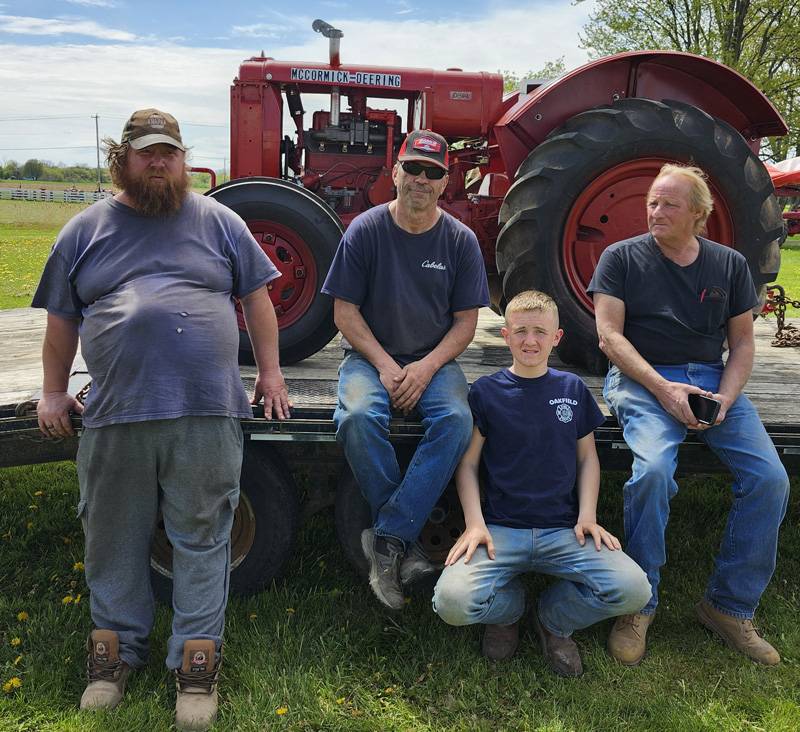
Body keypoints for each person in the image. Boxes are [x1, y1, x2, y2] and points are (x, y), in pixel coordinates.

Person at [32, 108, 290, 730]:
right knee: (111, 534)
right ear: (124, 157)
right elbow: (61, 323)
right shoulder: (84, 230)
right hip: (117, 412)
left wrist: (272, 375)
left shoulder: (219, 221)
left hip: (205, 410)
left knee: (203, 534)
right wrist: (49, 393)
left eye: (168, 152)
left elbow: (257, 299)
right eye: (147, 152)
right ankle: (114, 655)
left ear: (182, 157)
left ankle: (196, 664)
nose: (158, 161)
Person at [589, 163, 790, 667]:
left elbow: (742, 344)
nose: (656, 211)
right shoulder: (621, 258)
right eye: (653, 202)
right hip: (642, 376)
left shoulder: (728, 265)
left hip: (709, 378)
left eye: (669, 203)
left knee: (770, 479)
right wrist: (663, 389)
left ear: (699, 214)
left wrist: (723, 396)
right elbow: (609, 337)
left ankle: (728, 606)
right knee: (653, 471)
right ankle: (641, 602)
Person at [432, 291, 650, 675]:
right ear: (505, 335)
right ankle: (508, 610)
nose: (529, 341)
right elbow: (467, 465)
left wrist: (587, 515)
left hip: (564, 529)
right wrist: (474, 524)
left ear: (556, 338)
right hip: (500, 532)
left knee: (635, 589)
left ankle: (554, 620)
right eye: (520, 331)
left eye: (539, 332)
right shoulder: (485, 392)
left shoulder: (572, 390)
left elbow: (587, 458)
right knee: (451, 602)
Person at [321, 129, 490, 610]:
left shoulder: (460, 239)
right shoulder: (366, 230)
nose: (420, 178)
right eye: (412, 168)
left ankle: (387, 536)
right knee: (356, 418)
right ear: (395, 172)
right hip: (371, 358)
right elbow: (344, 313)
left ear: (445, 181)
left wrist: (425, 367)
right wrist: (386, 365)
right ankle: (404, 540)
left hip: (434, 361)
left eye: (432, 172)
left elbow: (466, 324)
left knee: (457, 421)